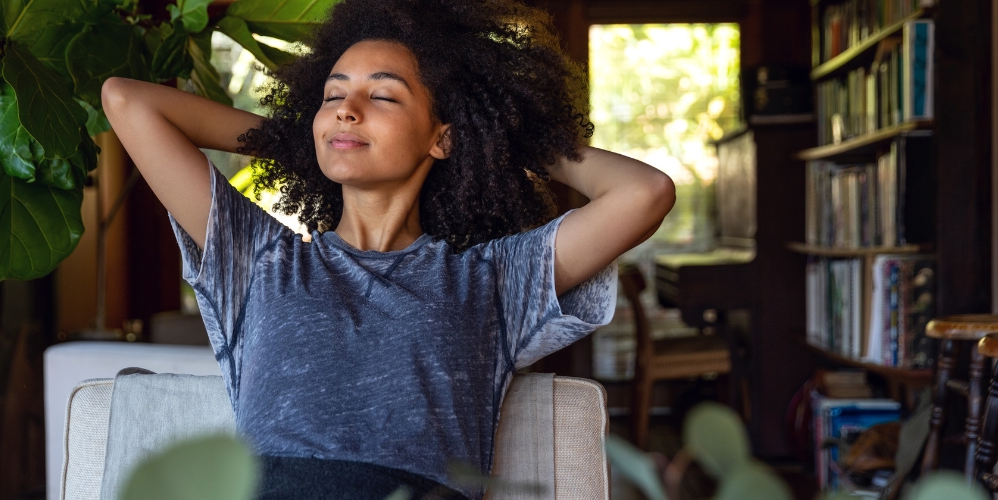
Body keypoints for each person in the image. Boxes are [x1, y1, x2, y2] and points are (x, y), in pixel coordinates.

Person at [102, 0, 674, 497]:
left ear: (442, 135)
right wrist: (302, 138)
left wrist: (498, 136)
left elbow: (645, 192)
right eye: (332, 96)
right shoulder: (260, 259)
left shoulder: (493, 282)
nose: (348, 109)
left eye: (383, 96)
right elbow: (126, 100)